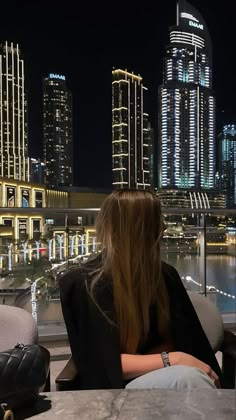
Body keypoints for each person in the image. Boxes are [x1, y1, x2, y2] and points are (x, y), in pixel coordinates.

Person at [60, 189, 222, 390]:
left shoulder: (165, 276)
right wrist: (173, 358)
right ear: (140, 228)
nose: (163, 227)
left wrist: (154, 359)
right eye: (158, 219)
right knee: (189, 378)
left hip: (161, 376)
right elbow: (101, 364)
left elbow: (185, 340)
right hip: (116, 390)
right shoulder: (84, 284)